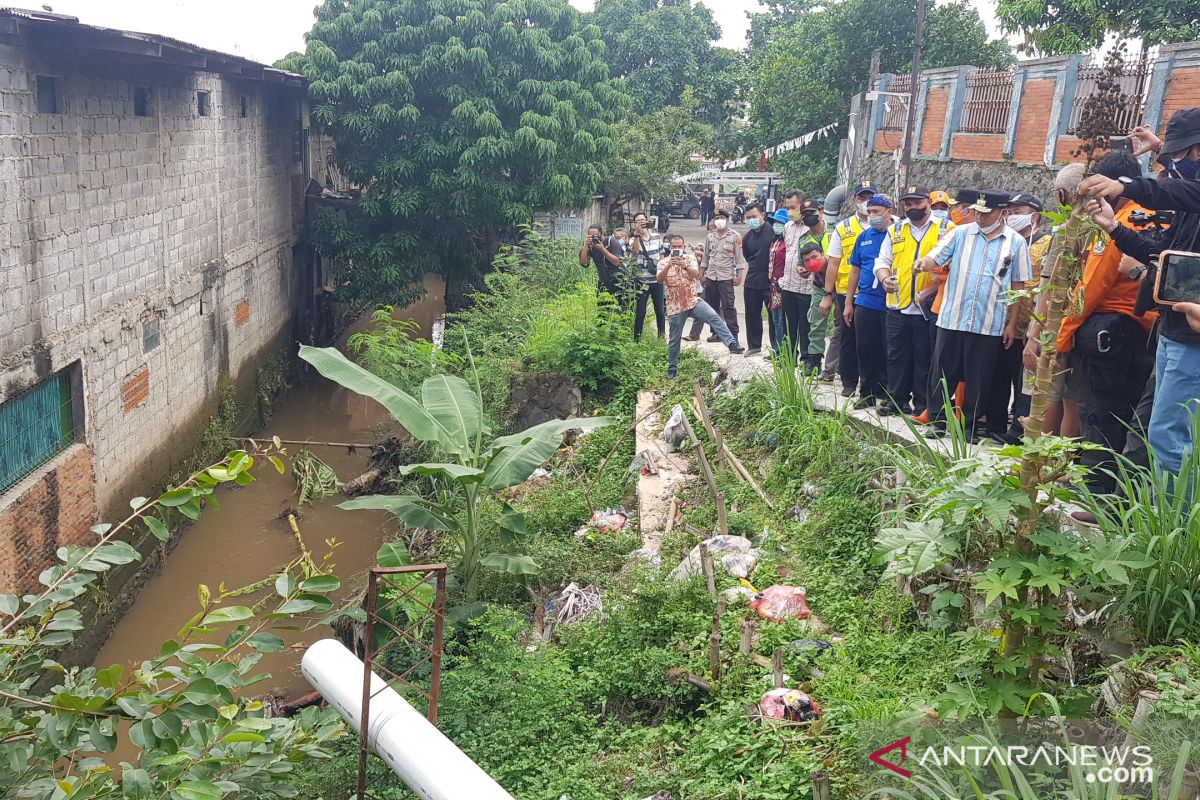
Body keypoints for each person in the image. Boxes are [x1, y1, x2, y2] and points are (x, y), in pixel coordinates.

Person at [1079, 106, 1200, 475]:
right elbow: (1159, 252)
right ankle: (1125, 513)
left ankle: (1173, 527)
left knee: (1171, 436)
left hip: (1192, 336)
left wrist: (1126, 185)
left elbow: (1176, 189)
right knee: (1150, 426)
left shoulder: (1188, 197)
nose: (1169, 164)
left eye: (1178, 155)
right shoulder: (1189, 208)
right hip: (1172, 330)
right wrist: (1113, 229)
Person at [1050, 152, 1158, 492]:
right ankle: (1125, 491)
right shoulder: (1160, 217)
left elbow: (1091, 288)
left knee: (1102, 413)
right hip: (1150, 332)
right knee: (1135, 416)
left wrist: (1062, 339)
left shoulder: (1119, 224)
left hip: (1110, 332)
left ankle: (1098, 491)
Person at [917, 190, 1033, 441]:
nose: (980, 217)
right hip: (953, 317)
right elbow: (935, 256)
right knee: (941, 372)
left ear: (1002, 213)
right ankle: (937, 421)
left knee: (978, 377)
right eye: (977, 212)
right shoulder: (960, 234)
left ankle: (967, 427)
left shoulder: (1015, 243)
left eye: (986, 213)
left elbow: (1018, 288)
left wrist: (1012, 324)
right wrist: (923, 263)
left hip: (989, 321)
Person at [874, 185, 954, 416]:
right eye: (907, 203)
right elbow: (882, 261)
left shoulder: (947, 230)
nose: (912, 207)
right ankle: (896, 400)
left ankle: (922, 403)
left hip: (927, 307)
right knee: (896, 355)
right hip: (898, 304)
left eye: (917, 203)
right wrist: (884, 279)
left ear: (928, 202)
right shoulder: (895, 230)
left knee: (924, 357)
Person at [1023, 167, 1086, 438]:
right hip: (1086, 322)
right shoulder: (1104, 226)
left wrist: (1033, 336)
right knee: (1072, 402)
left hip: (1056, 325)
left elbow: (1048, 287)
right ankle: (1063, 470)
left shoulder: (1066, 230)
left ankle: (1037, 461)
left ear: (1062, 195)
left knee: (1046, 392)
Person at [986, 192, 1042, 441]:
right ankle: (995, 424)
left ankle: (1020, 429)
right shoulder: (1005, 242)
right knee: (998, 376)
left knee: (1025, 383)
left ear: (1034, 216)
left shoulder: (1047, 243)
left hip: (1031, 325)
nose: (1011, 216)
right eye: (1009, 212)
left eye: (1018, 212)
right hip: (1002, 320)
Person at [659, 233, 744, 379]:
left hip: (692, 300)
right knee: (674, 338)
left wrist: (683, 265)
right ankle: (672, 369)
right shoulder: (662, 262)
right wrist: (669, 265)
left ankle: (732, 344)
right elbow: (659, 279)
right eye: (674, 247)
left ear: (684, 247)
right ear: (669, 247)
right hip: (675, 305)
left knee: (714, 317)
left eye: (679, 247)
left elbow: (695, 275)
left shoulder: (690, 259)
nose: (677, 249)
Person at [822, 180, 876, 395]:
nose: (866, 202)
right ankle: (849, 382)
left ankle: (871, 384)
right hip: (847, 291)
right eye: (862, 198)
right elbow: (833, 263)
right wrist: (828, 294)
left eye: (870, 198)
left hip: (876, 292)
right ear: (854, 201)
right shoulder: (843, 228)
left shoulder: (889, 225)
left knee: (873, 341)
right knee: (848, 338)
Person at [844, 194, 894, 409]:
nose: (872, 216)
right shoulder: (864, 237)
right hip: (864, 301)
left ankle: (886, 392)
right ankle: (866, 393)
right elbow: (854, 270)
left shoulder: (896, 235)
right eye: (870, 212)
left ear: (888, 211)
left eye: (877, 211)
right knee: (864, 348)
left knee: (887, 350)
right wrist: (848, 303)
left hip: (890, 302)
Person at [689, 209, 745, 343]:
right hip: (711, 276)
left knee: (728, 307)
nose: (719, 220)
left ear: (728, 219)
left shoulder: (735, 236)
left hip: (726, 277)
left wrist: (739, 276)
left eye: (721, 217)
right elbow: (706, 257)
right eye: (716, 218)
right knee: (712, 307)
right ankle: (716, 333)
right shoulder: (710, 236)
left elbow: (739, 259)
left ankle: (733, 336)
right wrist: (701, 274)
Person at [779, 194, 821, 362]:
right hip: (788, 283)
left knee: (805, 325)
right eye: (787, 208)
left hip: (806, 286)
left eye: (794, 208)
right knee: (788, 326)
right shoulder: (787, 227)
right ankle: (788, 359)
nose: (790, 212)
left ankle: (805, 359)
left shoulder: (812, 229)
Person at [799, 198, 831, 373]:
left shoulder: (835, 232)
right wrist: (802, 270)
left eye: (811, 213)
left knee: (844, 325)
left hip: (839, 285)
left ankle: (837, 365)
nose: (808, 217)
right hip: (819, 285)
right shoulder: (803, 239)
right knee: (816, 323)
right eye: (804, 215)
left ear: (821, 211)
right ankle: (814, 361)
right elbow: (800, 263)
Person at [742, 204, 774, 355]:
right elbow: (747, 257)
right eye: (748, 218)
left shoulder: (773, 231)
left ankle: (777, 349)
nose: (751, 220)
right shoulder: (747, 237)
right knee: (752, 314)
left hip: (770, 282)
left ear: (762, 215)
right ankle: (754, 346)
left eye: (754, 217)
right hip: (752, 280)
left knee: (775, 317)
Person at [629, 212, 666, 341]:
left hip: (657, 280)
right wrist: (637, 235)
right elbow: (634, 252)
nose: (641, 222)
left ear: (647, 221)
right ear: (635, 224)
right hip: (642, 280)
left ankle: (661, 338)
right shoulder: (633, 239)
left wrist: (662, 273)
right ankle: (637, 339)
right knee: (640, 312)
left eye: (643, 220)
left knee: (660, 311)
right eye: (638, 221)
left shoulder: (656, 236)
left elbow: (661, 255)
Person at [580, 224, 625, 300]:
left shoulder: (612, 241)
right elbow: (584, 263)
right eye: (591, 236)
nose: (594, 238)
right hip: (603, 281)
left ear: (602, 234)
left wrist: (602, 249)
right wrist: (586, 246)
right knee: (602, 309)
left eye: (595, 235)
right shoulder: (590, 245)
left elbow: (617, 262)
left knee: (619, 309)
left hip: (618, 281)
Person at [768, 208, 789, 354]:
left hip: (783, 285)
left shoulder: (787, 243)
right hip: (773, 286)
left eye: (780, 223)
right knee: (775, 319)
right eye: (775, 222)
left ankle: (784, 352)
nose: (777, 225)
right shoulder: (774, 242)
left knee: (782, 320)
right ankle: (777, 350)